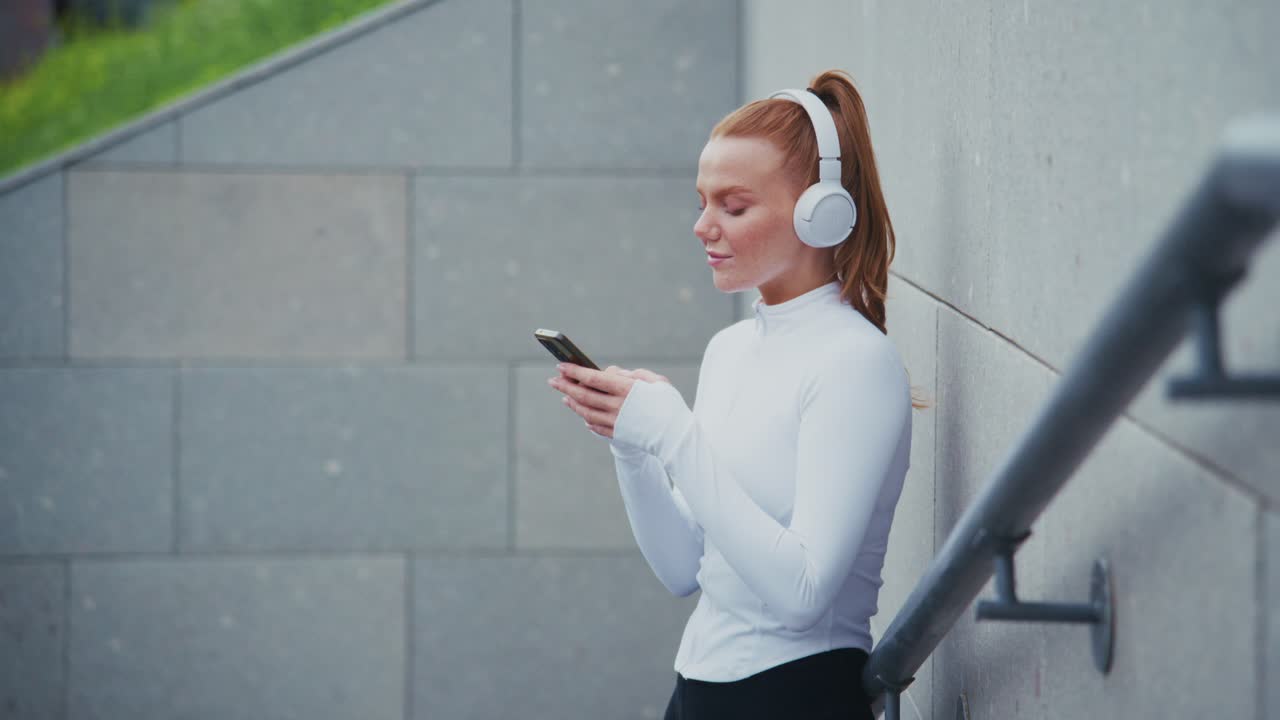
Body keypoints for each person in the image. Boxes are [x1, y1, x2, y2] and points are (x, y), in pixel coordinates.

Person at [547, 68, 920, 719]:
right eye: (702, 202)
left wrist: (673, 434)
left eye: (734, 206)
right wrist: (633, 447)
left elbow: (804, 594)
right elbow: (682, 569)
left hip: (795, 695)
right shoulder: (730, 349)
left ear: (819, 213)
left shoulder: (855, 361)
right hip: (696, 690)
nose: (703, 226)